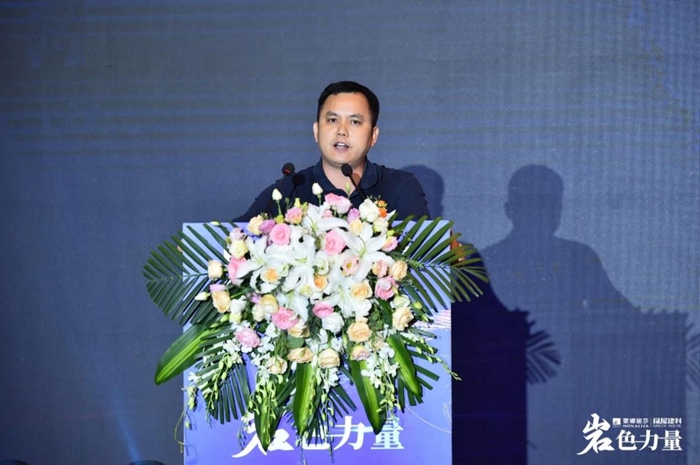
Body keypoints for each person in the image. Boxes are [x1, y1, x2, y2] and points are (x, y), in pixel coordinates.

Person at [233, 81, 430, 222]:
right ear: (316, 131)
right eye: (333, 120)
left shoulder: (400, 187)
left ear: (373, 135)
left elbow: (423, 253)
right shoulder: (290, 188)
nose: (342, 131)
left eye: (354, 122)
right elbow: (235, 240)